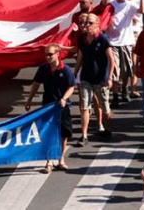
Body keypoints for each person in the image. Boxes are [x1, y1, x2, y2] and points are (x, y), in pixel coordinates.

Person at [25, 43, 75, 172]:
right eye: (46, 54)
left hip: (62, 106)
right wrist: (29, 99)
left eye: (50, 54)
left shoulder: (66, 70)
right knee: (48, 133)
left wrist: (64, 98)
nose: (47, 57)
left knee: (63, 134)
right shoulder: (43, 69)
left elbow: (71, 87)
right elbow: (36, 83)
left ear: (58, 54)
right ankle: (49, 161)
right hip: (47, 106)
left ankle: (61, 158)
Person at [74, 13, 115, 145]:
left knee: (105, 107)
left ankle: (107, 129)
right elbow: (80, 56)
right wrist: (75, 73)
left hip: (100, 79)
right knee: (84, 106)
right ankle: (84, 135)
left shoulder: (103, 39)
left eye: (89, 23)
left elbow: (111, 59)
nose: (86, 25)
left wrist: (110, 77)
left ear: (97, 24)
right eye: (85, 23)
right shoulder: (82, 39)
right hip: (86, 77)